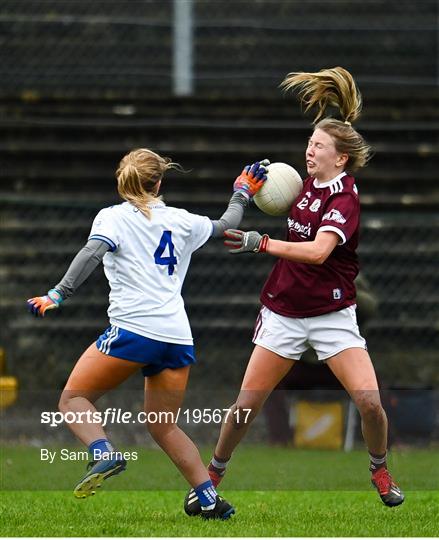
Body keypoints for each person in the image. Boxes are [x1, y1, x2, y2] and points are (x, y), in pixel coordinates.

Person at [184, 67, 404, 514]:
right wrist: (250, 186)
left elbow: (320, 252)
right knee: (244, 409)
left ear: (340, 158)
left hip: (331, 315)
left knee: (370, 404)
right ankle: (209, 479)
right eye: (309, 143)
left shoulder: (345, 198)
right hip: (283, 312)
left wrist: (260, 242)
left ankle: (379, 469)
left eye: (318, 146)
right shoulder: (301, 187)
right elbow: (277, 194)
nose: (309, 150)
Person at [27, 148, 268, 520]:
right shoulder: (182, 220)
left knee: (73, 400)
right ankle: (208, 498)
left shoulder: (113, 217)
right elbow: (226, 224)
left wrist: (57, 293)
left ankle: (104, 454)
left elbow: (92, 253)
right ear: (159, 181)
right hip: (176, 336)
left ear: (123, 183)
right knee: (163, 425)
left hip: (134, 331)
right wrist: (242, 191)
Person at [264, 273, 378, 446]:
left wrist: (341, 290)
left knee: (372, 387)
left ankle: (380, 441)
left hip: (338, 360)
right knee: (266, 381)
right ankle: (281, 440)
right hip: (302, 361)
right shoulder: (291, 271)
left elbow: (371, 306)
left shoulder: (345, 269)